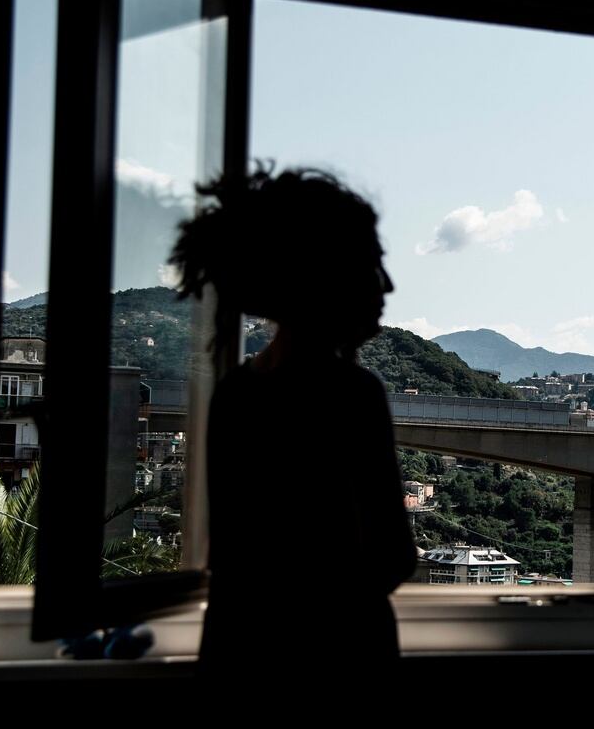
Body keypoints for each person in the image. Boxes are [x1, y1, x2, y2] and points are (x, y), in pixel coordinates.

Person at [169, 162, 416, 694]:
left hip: (242, 657)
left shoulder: (236, 392)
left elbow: (235, 562)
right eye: (372, 263)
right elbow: (392, 560)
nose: (387, 284)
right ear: (325, 274)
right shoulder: (353, 394)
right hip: (341, 661)